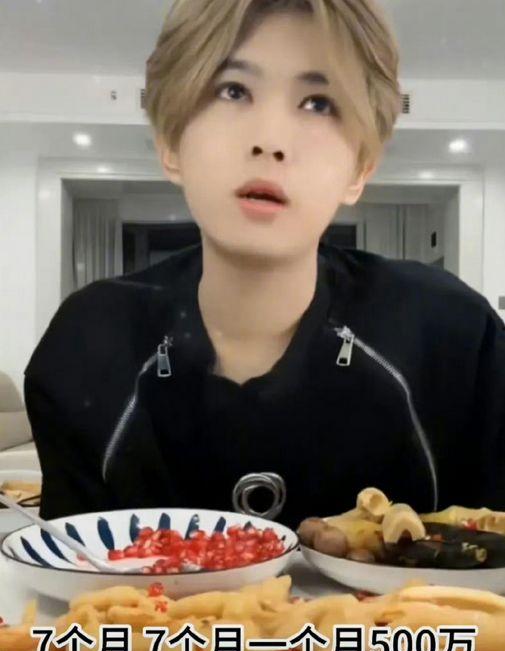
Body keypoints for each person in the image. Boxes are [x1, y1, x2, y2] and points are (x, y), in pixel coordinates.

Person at [25, 0, 505, 528]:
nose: (270, 142)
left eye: (319, 103)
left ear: (361, 168)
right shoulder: (88, 346)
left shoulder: (455, 343)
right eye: (233, 91)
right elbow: (68, 571)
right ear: (170, 142)